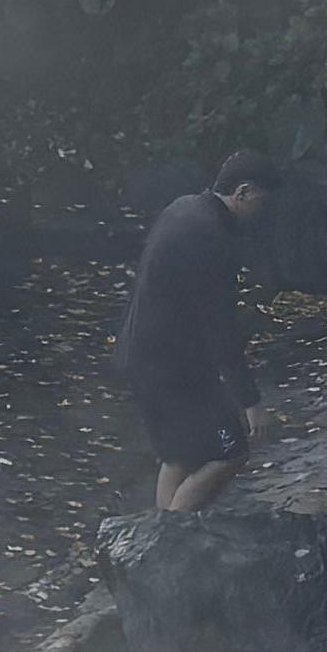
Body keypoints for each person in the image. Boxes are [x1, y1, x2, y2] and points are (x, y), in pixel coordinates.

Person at [118, 158, 269, 510]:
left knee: (181, 456)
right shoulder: (210, 237)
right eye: (262, 201)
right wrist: (250, 401)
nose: (262, 212)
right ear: (242, 192)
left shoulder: (184, 207)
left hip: (146, 357)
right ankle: (175, 541)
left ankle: (161, 543)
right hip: (170, 369)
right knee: (231, 451)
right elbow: (219, 326)